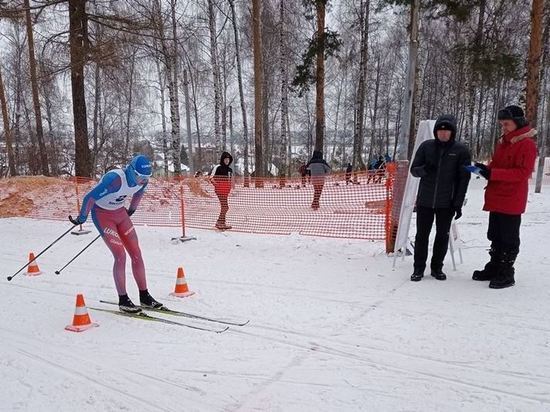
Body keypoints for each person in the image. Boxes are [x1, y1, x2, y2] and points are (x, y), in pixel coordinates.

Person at [71, 154, 161, 313]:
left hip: (120, 214)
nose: (143, 181)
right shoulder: (115, 179)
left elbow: (138, 194)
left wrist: (131, 210)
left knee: (136, 253)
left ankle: (144, 296)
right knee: (120, 255)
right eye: (141, 177)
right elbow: (90, 197)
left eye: (147, 177)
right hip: (102, 215)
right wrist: (82, 217)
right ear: (132, 171)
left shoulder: (142, 181)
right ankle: (123, 299)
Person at [469, 105, 537, 289]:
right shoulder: (505, 142)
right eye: (501, 124)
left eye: (506, 124)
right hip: (497, 196)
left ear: (518, 123)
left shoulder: (527, 145)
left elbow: (522, 173)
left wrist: (495, 174)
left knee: (508, 238)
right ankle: (495, 266)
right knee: (495, 235)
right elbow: (497, 164)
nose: (503, 128)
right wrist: (485, 170)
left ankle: (507, 271)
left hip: (511, 199)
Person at [410, 115, 471, 282]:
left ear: (453, 133)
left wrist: (457, 203)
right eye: (440, 130)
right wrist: (424, 169)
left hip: (447, 202)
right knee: (422, 235)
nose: (443, 134)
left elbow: (463, 179)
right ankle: (418, 268)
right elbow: (414, 170)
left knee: (442, 235)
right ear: (436, 132)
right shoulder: (426, 147)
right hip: (425, 201)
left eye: (447, 131)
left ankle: (437, 267)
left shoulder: (461, 151)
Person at [210, 151, 233, 230]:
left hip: (225, 191)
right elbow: (211, 178)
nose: (227, 161)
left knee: (225, 207)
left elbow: (230, 180)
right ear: (222, 159)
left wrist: (229, 188)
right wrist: (217, 186)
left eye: (228, 159)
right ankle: (219, 222)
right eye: (225, 159)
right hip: (219, 191)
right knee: (225, 207)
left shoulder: (230, 170)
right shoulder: (218, 167)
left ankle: (222, 223)